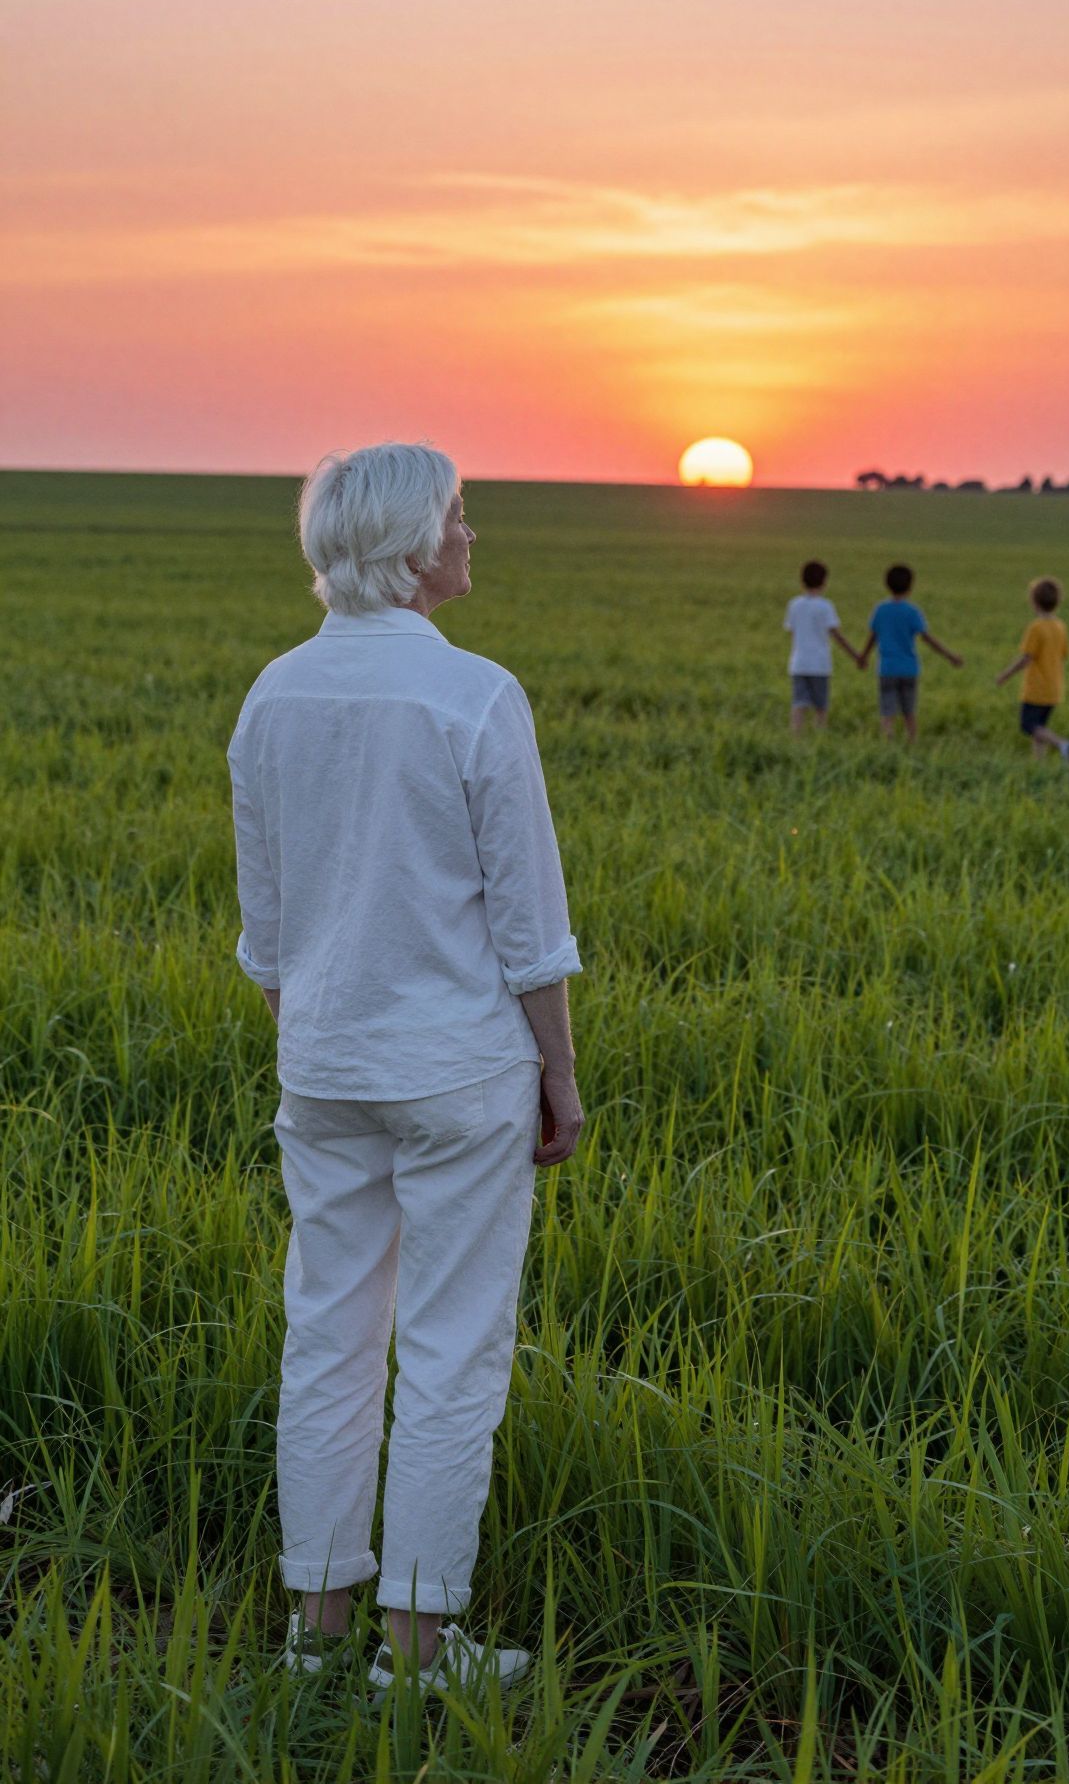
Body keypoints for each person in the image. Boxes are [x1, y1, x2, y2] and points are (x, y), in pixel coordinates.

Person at [226, 441, 584, 1697]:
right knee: (448, 1350)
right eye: (460, 519)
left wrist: (320, 1030)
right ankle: (421, 1649)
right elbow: (529, 924)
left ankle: (315, 1635)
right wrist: (562, 1075)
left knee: (325, 1336)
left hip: (321, 1063)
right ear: (411, 546)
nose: (472, 539)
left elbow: (267, 936)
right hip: (459, 1071)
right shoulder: (478, 697)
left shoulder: (273, 693)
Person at [858, 564, 963, 741]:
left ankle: (887, 744)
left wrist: (863, 657)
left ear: (887, 584)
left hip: (887, 668)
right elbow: (928, 639)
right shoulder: (912, 611)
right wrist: (950, 656)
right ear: (910, 586)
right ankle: (912, 743)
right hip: (909, 668)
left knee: (887, 713)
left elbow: (872, 637)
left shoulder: (881, 610)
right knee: (909, 712)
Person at [994, 575, 1069, 762]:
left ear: (1034, 602)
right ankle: (1038, 763)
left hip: (1036, 688)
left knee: (1028, 725)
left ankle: (1064, 745)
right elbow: (1064, 654)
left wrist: (1005, 675)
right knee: (1040, 728)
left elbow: (1026, 658)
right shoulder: (1060, 626)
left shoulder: (1036, 628)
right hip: (1054, 687)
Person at [783, 560, 862, 732]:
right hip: (819, 665)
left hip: (799, 663)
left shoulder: (794, 604)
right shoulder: (825, 606)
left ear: (802, 580)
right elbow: (837, 636)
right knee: (821, 706)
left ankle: (796, 738)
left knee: (799, 703)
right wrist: (856, 656)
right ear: (824, 581)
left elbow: (791, 631)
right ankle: (820, 737)